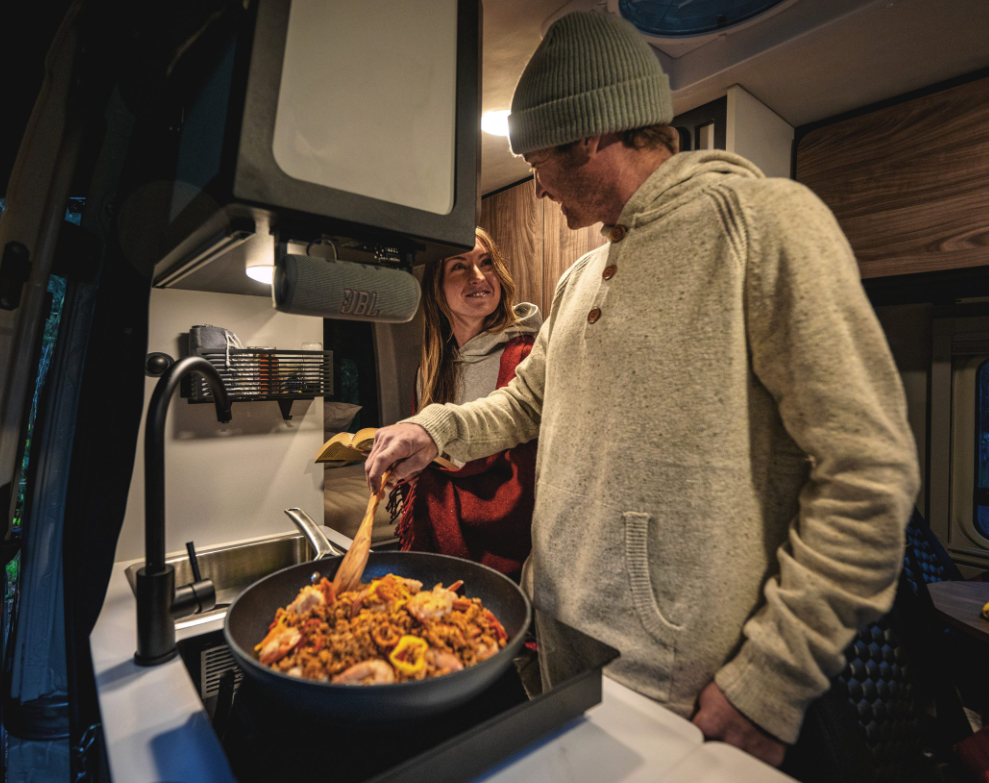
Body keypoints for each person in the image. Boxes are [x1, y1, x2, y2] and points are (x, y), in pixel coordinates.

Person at [365, 11, 919, 767]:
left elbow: (869, 475)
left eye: (536, 160)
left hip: (690, 689)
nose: (535, 185)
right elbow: (525, 403)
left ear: (589, 135)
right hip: (559, 655)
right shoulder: (578, 276)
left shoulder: (764, 225)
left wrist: (770, 680)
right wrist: (434, 430)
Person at [391, 228, 541, 580]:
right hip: (445, 551)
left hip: (513, 555)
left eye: (486, 263)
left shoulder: (527, 357)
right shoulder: (429, 370)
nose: (478, 276)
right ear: (436, 289)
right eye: (459, 267)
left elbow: (529, 474)